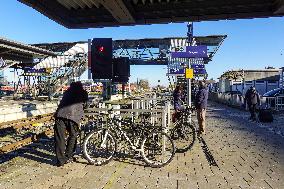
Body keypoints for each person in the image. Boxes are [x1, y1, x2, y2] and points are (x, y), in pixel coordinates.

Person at [54, 81, 88, 167]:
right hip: (74, 117)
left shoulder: (67, 92)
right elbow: (86, 105)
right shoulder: (83, 93)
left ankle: (60, 161)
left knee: (60, 138)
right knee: (73, 136)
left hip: (60, 116)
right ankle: (68, 156)